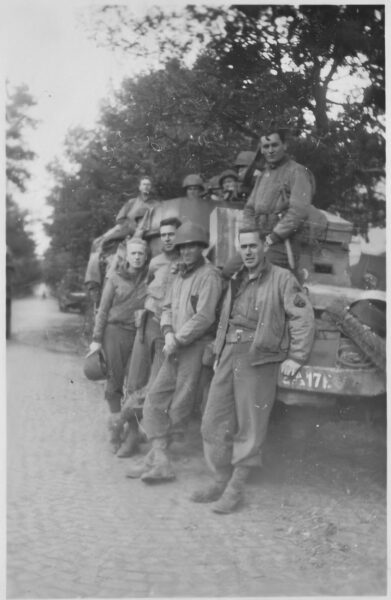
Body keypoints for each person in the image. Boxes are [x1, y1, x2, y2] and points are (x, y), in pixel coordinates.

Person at [191, 228, 315, 513]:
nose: (247, 252)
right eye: (243, 246)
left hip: (258, 357)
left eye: (252, 246)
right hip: (228, 354)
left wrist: (297, 356)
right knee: (212, 420)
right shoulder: (237, 279)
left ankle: (235, 489)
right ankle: (220, 478)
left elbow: (302, 316)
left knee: (250, 426)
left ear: (263, 247)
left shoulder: (282, 279)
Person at [126, 221, 223, 482]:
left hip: (195, 347)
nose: (187, 251)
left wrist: (177, 339)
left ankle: (157, 460)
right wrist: (168, 332)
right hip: (175, 346)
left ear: (202, 248)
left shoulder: (209, 276)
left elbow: (204, 317)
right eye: (183, 246)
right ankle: (159, 460)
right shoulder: (179, 274)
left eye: (192, 246)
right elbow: (166, 306)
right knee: (155, 400)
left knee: (180, 408)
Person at [112, 217, 182, 458]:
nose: (167, 238)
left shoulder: (187, 262)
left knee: (156, 387)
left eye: (172, 234)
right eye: (163, 235)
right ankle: (131, 437)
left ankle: (155, 443)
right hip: (147, 324)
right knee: (133, 382)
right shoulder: (154, 262)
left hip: (168, 330)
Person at [88, 236, 149, 451]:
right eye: (134, 253)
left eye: (141, 253)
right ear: (127, 256)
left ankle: (133, 432)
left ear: (146, 256)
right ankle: (115, 431)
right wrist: (96, 339)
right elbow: (102, 311)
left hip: (138, 334)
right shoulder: (114, 278)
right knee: (114, 381)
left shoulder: (149, 278)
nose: (137, 257)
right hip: (114, 333)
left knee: (135, 383)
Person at [242, 129, 315, 271]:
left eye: (274, 145)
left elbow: (298, 211)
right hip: (259, 239)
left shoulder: (297, 171)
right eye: (266, 147)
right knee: (228, 271)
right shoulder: (264, 175)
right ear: (261, 150)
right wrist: (248, 234)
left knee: (264, 275)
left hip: (282, 242)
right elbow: (249, 209)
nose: (270, 150)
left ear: (285, 146)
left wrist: (274, 236)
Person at [84, 176, 159, 302]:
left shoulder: (157, 204)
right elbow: (120, 220)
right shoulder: (131, 203)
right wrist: (130, 228)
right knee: (101, 248)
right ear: (140, 187)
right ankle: (97, 288)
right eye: (144, 184)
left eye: (148, 184)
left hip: (151, 235)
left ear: (151, 187)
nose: (146, 187)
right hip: (129, 233)